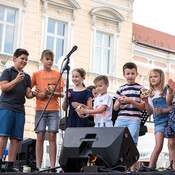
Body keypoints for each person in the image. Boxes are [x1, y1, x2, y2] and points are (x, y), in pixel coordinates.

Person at [0, 48, 38, 172]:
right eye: (22, 58)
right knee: (3, 135)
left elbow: (28, 95)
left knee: (16, 138)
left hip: (20, 109)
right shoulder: (7, 72)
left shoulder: (26, 77)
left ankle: (10, 165)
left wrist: (34, 93)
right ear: (14, 58)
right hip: (6, 107)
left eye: (26, 59)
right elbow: (4, 88)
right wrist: (16, 80)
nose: (24, 61)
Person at [31, 49, 65, 171]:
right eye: (47, 59)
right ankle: (38, 166)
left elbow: (62, 94)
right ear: (42, 60)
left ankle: (52, 166)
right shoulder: (36, 74)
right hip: (40, 109)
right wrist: (37, 94)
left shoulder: (57, 74)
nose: (49, 61)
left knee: (52, 137)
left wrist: (52, 93)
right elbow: (29, 92)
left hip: (53, 110)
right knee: (39, 136)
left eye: (51, 59)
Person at [113, 62, 145, 172]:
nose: (130, 76)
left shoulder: (141, 88)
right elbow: (115, 108)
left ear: (136, 74)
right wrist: (119, 102)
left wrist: (130, 101)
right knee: (117, 142)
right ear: (124, 75)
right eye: (128, 74)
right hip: (121, 119)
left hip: (134, 119)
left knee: (132, 144)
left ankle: (132, 169)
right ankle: (119, 167)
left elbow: (142, 107)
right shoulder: (121, 88)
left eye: (132, 73)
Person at [142, 69, 170, 170]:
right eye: (151, 77)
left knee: (171, 145)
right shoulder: (150, 94)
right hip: (158, 121)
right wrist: (145, 102)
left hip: (169, 120)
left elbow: (172, 107)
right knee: (158, 146)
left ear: (161, 78)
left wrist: (163, 110)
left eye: (155, 76)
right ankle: (151, 167)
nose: (153, 78)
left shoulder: (167, 91)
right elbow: (149, 112)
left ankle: (172, 166)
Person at [165, 79, 175, 170]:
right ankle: (172, 167)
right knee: (171, 143)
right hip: (173, 112)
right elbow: (168, 102)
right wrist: (170, 91)